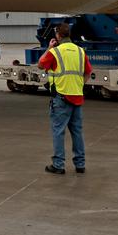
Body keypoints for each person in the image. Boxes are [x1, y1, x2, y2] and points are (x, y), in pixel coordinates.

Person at [37, 22, 92, 175]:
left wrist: (49, 47)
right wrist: (79, 84)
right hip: (77, 97)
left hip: (61, 97)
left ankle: (58, 165)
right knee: (77, 132)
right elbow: (88, 72)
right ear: (69, 35)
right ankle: (80, 164)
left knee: (58, 132)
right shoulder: (80, 51)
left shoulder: (55, 52)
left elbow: (40, 65)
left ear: (57, 35)